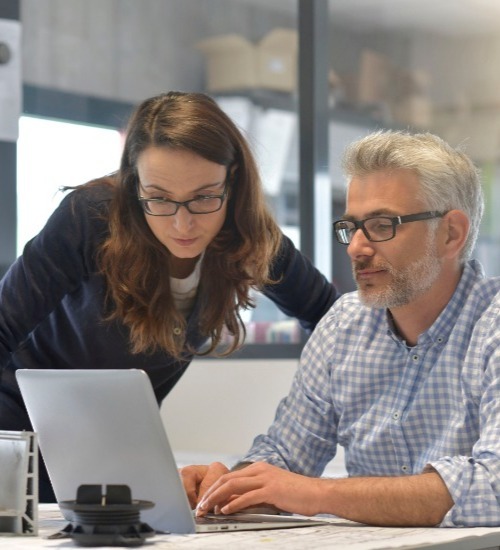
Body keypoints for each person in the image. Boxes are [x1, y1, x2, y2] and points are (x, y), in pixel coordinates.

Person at [0, 91, 339, 501]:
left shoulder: (253, 238)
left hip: (118, 449)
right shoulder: (88, 219)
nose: (183, 224)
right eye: (159, 198)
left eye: (203, 197)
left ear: (233, 182)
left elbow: (335, 323)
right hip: (14, 433)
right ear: (133, 184)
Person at [184, 130, 500, 528]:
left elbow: (494, 487)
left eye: (382, 225)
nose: (356, 248)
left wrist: (313, 493)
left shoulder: (493, 326)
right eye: (352, 227)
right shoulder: (343, 325)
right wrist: (228, 485)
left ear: (451, 233)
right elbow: (286, 455)